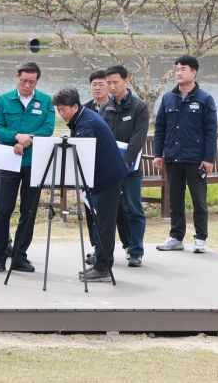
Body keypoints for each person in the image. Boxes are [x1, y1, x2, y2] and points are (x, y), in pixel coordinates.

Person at [53, 88, 128, 282]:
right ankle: (100, 260)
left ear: (75, 106)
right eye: (58, 110)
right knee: (100, 221)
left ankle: (103, 267)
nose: (61, 114)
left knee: (105, 223)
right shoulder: (82, 117)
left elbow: (82, 152)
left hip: (107, 177)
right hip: (100, 177)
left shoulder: (86, 123)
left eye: (63, 109)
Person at [0, 62, 55, 273]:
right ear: (17, 77)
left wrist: (28, 140)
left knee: (29, 211)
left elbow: (48, 128)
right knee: (2, 209)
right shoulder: (3, 100)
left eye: (32, 82)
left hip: (34, 162)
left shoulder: (45, 101)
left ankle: (19, 256)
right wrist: (15, 136)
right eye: (24, 80)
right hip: (8, 161)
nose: (27, 85)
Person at [153, 55, 217, 254]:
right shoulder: (168, 98)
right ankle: (176, 236)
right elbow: (160, 128)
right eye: (176, 69)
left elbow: (211, 130)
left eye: (183, 69)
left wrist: (208, 158)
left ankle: (200, 238)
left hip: (196, 159)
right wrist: (158, 154)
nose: (178, 73)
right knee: (175, 199)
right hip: (173, 157)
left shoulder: (205, 99)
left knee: (199, 199)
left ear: (193, 72)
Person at [103, 65, 150, 267]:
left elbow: (138, 139)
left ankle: (135, 250)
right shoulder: (106, 106)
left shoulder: (139, 107)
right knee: (107, 210)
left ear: (126, 80)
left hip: (130, 168)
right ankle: (103, 251)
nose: (112, 87)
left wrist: (124, 162)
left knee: (133, 209)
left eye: (116, 82)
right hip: (109, 168)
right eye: (109, 83)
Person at [82, 69, 130, 258]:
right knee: (92, 209)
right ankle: (97, 248)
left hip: (113, 166)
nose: (99, 88)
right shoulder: (84, 109)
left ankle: (128, 245)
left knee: (120, 209)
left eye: (102, 84)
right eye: (94, 84)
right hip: (92, 168)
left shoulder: (113, 107)